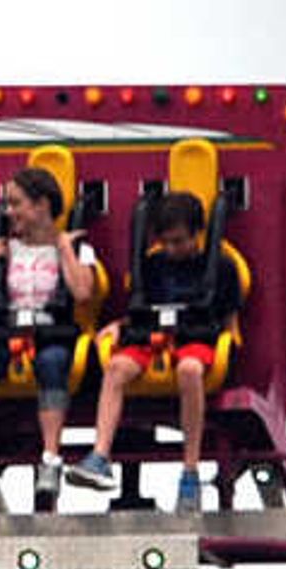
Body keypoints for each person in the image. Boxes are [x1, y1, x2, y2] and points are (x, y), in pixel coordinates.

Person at [64, 188, 240, 509]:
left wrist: (231, 347)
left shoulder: (222, 268)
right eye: (166, 242)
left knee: (189, 370)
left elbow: (228, 318)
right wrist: (120, 326)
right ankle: (100, 455)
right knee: (116, 368)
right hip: (152, 339)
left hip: (196, 340)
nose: (172, 249)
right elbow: (139, 309)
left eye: (179, 241)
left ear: (197, 234)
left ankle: (189, 471)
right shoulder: (154, 265)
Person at [0, 166, 102, 511]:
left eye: (16, 203)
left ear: (41, 205)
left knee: (52, 364)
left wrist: (63, 248)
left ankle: (50, 456)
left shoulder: (77, 246)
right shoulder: (2, 250)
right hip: (8, 337)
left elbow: (83, 292)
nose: (9, 212)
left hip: (54, 336)